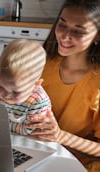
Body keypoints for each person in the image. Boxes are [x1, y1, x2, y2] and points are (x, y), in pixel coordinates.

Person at [26, 0, 100, 171]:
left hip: (78, 165)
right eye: (62, 24)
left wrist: (60, 136)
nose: (65, 36)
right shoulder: (43, 63)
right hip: (36, 154)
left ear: (97, 36)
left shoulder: (96, 85)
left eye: (78, 31)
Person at [0, 38, 51, 135]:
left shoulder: (38, 101)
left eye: (16, 92)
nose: (6, 94)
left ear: (36, 84)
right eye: (1, 85)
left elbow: (27, 130)